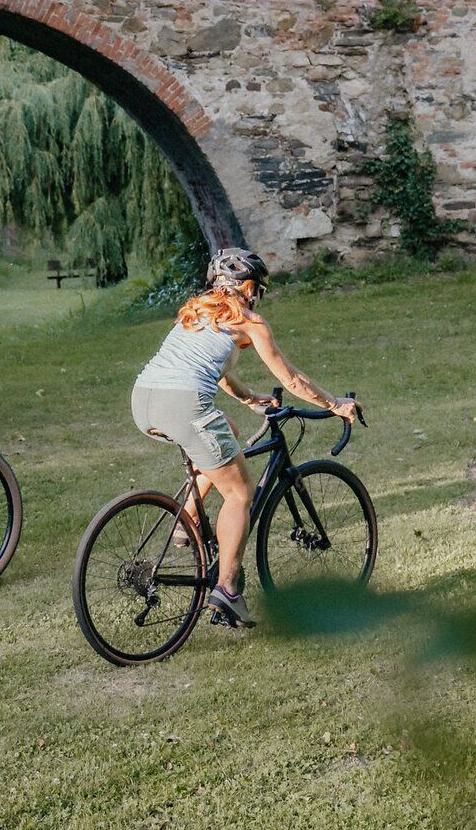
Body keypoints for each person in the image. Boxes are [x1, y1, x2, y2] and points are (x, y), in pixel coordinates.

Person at [130, 247, 358, 628]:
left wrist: (249, 397)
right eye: (258, 290)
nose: (258, 297)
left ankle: (187, 517)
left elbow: (214, 369)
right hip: (184, 407)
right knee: (239, 493)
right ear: (248, 287)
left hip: (143, 401)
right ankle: (228, 592)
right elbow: (292, 379)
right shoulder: (251, 322)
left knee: (227, 433)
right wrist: (334, 403)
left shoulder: (195, 311)